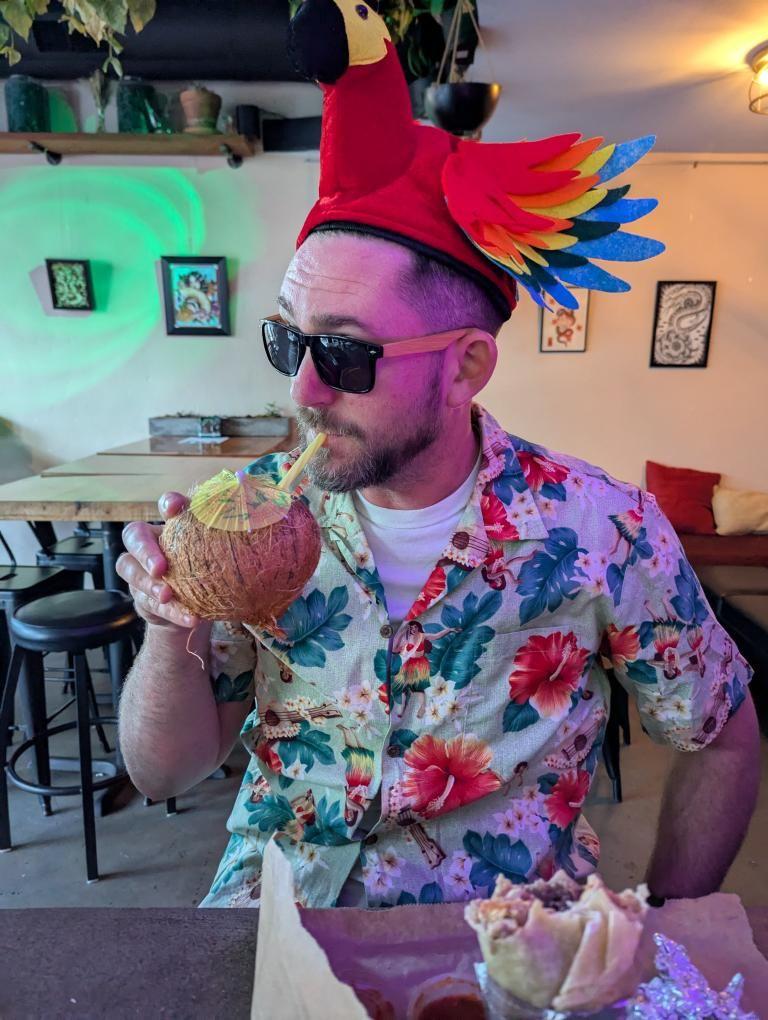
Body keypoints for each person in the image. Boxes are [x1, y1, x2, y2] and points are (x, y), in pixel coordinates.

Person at [116, 0, 759, 908]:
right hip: (278, 918)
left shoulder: (601, 529)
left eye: (343, 353)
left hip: (506, 943)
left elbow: (722, 735)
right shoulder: (254, 516)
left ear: (466, 367)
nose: (302, 391)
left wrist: (660, 932)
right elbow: (164, 772)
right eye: (287, 343)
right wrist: (169, 623)